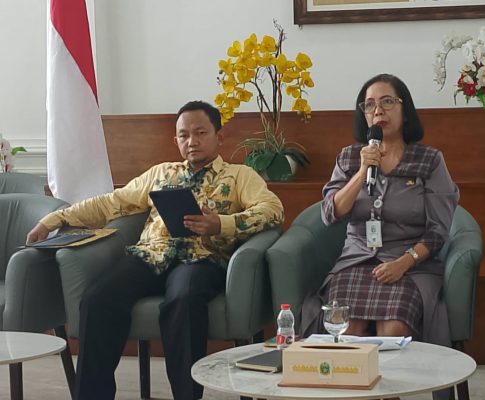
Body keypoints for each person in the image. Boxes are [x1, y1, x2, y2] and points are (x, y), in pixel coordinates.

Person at [26, 100, 284, 400]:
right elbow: (111, 203)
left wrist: (221, 224)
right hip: (150, 256)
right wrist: (53, 219)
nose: (192, 141)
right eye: (184, 135)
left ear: (219, 137)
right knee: (97, 299)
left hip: (201, 260)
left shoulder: (240, 175)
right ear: (176, 140)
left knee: (184, 300)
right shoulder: (161, 173)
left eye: (200, 133)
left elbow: (273, 210)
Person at [301, 73, 459, 346]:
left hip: (410, 265)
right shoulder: (349, 157)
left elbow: (438, 231)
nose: (378, 111)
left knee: (394, 330)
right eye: (370, 104)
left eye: (387, 102)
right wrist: (362, 171)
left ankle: (394, 378)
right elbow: (330, 214)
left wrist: (403, 263)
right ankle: (353, 376)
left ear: (405, 111)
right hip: (356, 261)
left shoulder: (429, 160)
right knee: (345, 329)